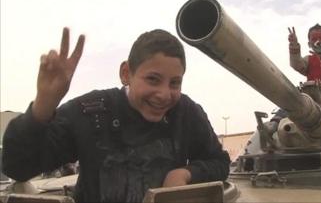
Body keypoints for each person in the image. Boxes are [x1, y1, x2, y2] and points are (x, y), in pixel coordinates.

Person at [2, 28, 230, 203]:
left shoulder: (186, 113)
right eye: (153, 79)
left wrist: (185, 173)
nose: (164, 94)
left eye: (175, 83)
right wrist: (44, 104)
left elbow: (219, 162)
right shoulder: (89, 111)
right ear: (126, 73)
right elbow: (17, 167)